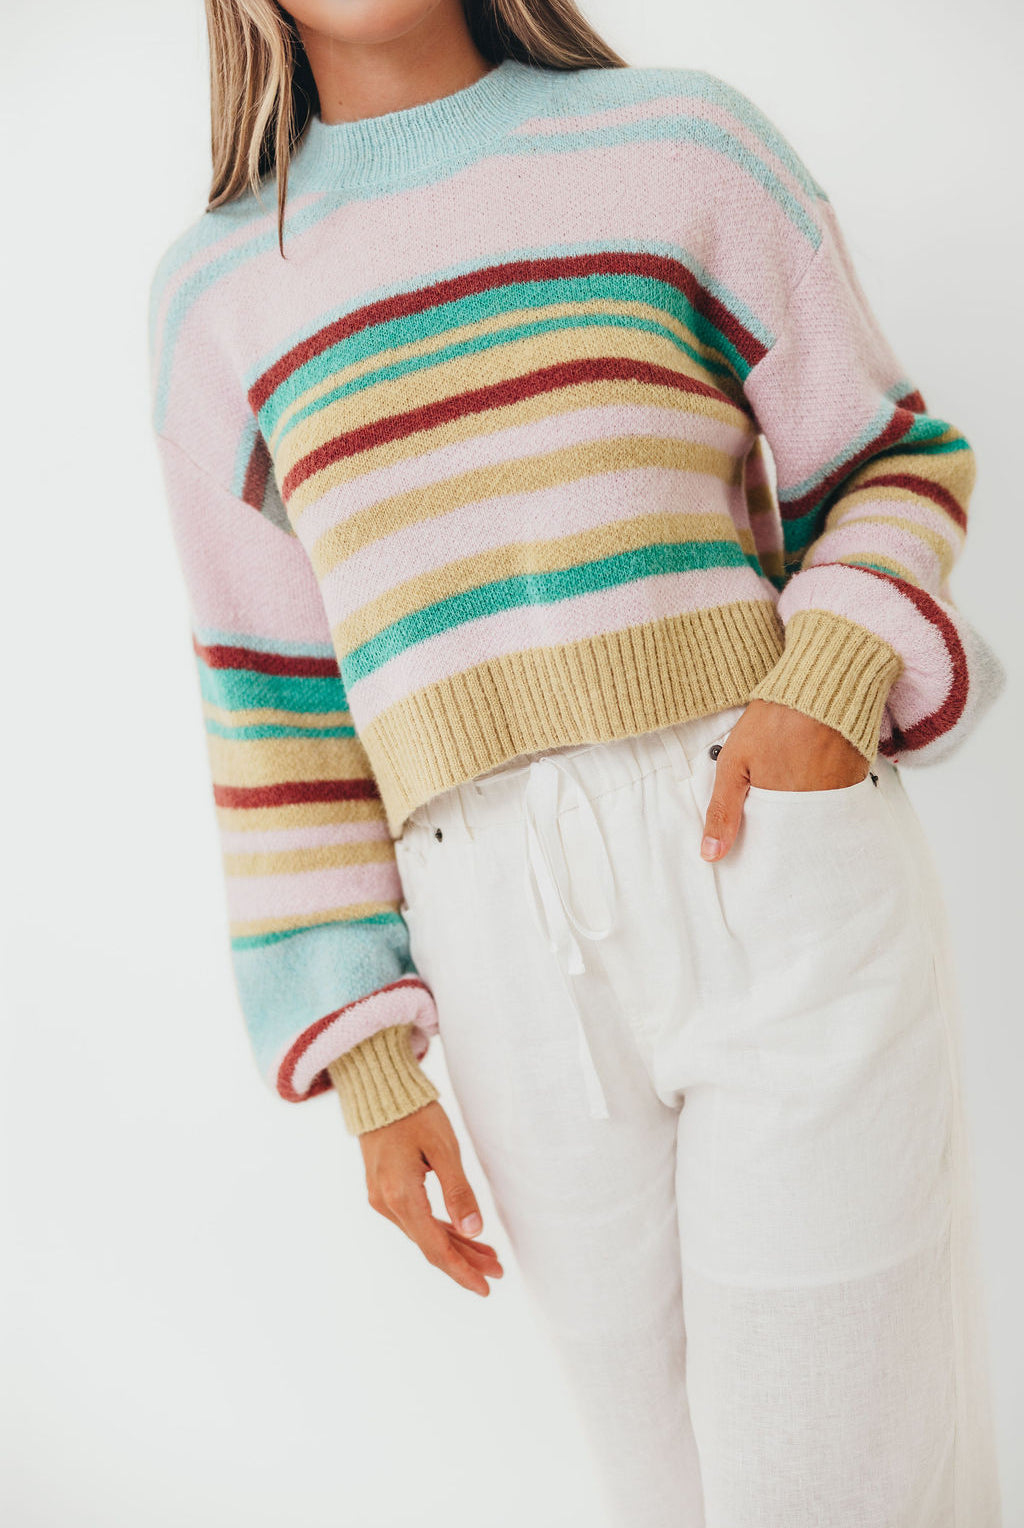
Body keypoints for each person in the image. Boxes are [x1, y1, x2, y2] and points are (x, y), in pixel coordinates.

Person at [146, 2, 1005, 1523]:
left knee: (835, 1489)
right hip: (494, 949)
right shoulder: (214, 296)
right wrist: (366, 1059)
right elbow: (272, 699)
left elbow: (889, 458)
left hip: (769, 861)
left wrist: (822, 686)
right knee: (665, 1497)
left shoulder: (682, 142)